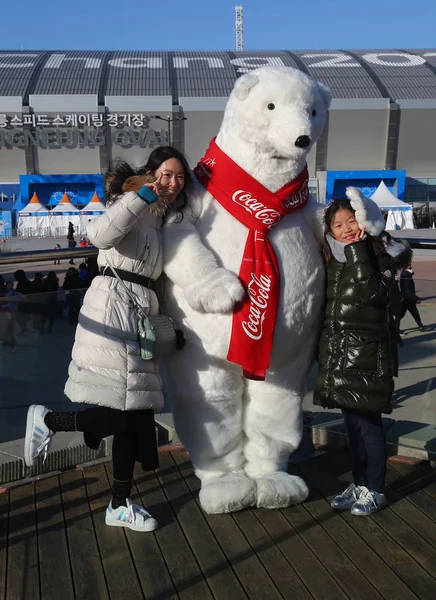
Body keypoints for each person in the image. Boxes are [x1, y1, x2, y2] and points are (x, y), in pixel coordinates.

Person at [24, 146, 192, 532]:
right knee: (120, 412)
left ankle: (119, 504)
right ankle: (49, 420)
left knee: (133, 416)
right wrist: (141, 196)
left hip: (141, 314)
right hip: (113, 307)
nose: (173, 182)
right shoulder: (131, 201)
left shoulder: (164, 219)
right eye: (166, 174)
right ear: (151, 174)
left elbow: (156, 279)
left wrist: (168, 325)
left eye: (179, 176)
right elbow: (98, 235)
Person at [313, 197, 409, 516]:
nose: (345, 230)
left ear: (364, 221)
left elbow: (376, 295)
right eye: (338, 226)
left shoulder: (377, 255)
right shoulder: (331, 260)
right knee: (352, 426)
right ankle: (361, 483)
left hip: (368, 354)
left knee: (368, 426)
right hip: (339, 353)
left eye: (351, 222)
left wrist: (358, 250)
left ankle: (376, 489)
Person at [399, 264, 425, 332]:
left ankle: (421, 326)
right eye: (410, 267)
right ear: (406, 269)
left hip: (406, 298)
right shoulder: (406, 276)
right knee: (408, 313)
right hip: (407, 298)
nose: (411, 268)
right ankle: (421, 326)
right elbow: (407, 290)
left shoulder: (406, 275)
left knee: (403, 314)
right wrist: (416, 298)